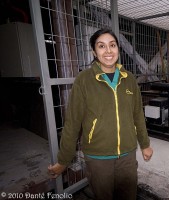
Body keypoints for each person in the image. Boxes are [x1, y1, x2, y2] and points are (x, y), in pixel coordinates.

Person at [48, 28, 153, 200]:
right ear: (94, 52)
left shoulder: (129, 79)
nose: (108, 51)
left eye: (112, 45)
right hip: (97, 158)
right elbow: (73, 123)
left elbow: (138, 116)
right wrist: (63, 160)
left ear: (118, 49)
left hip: (127, 155)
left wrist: (145, 144)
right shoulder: (84, 80)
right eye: (101, 46)